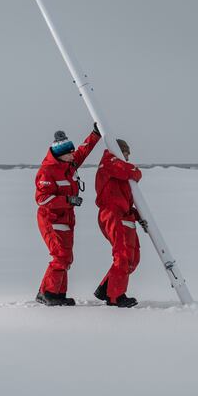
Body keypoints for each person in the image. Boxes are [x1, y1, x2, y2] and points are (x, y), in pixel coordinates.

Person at [34, 124, 101, 306]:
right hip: (50, 219)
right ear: (60, 154)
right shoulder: (47, 171)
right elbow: (42, 199)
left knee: (66, 258)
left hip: (66, 220)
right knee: (60, 256)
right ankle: (47, 293)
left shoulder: (69, 163)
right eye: (69, 153)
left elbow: (83, 151)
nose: (73, 155)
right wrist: (68, 200)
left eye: (72, 153)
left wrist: (95, 134)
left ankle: (57, 294)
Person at [93, 139, 144, 308]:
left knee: (132, 259)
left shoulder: (118, 168)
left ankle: (105, 288)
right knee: (122, 255)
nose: (128, 157)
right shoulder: (109, 162)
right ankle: (115, 297)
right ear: (119, 151)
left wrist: (135, 214)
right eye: (126, 153)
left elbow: (125, 189)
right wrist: (135, 171)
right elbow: (132, 172)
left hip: (124, 215)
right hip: (111, 214)